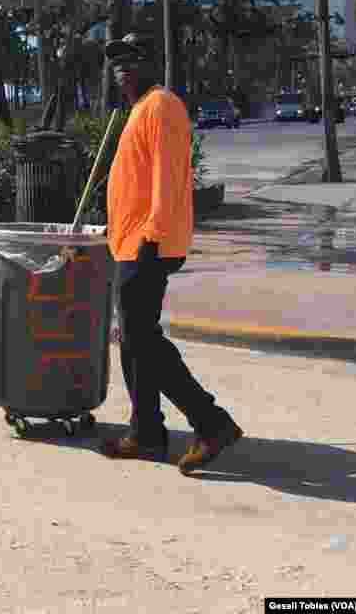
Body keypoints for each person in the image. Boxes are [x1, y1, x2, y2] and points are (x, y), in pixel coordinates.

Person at [99, 33, 243, 475]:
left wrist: (151, 235)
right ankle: (146, 433)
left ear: (150, 63)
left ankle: (211, 422)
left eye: (132, 59)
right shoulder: (138, 109)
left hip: (149, 243)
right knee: (134, 340)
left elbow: (166, 176)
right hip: (131, 241)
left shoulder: (160, 105)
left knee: (142, 339)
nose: (123, 67)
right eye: (116, 60)